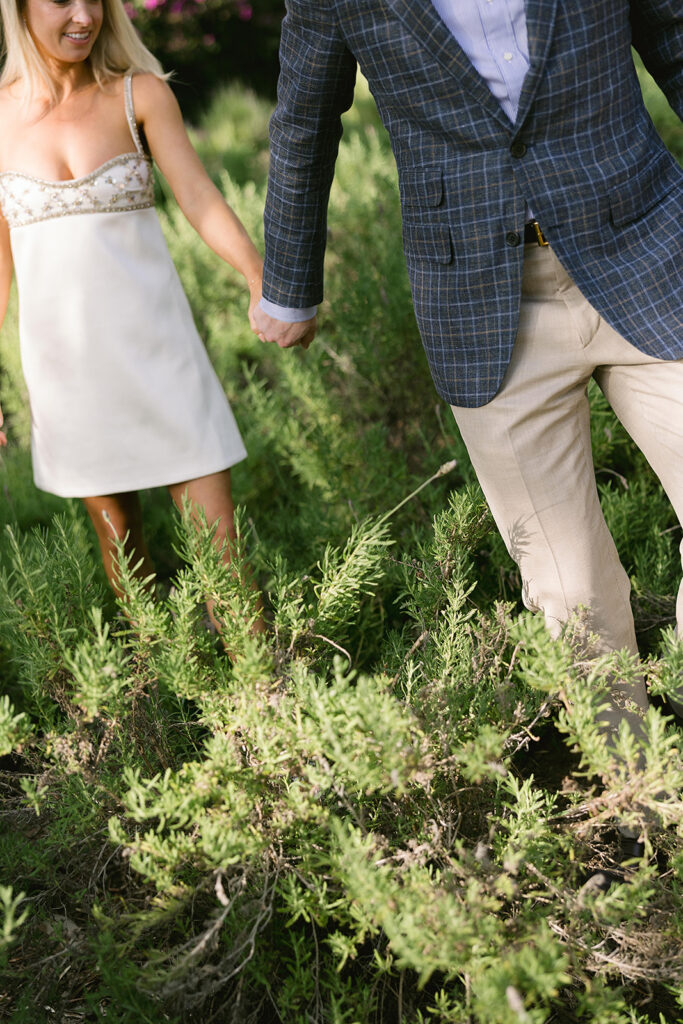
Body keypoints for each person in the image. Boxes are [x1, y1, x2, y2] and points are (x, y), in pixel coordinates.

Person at [253, 1, 683, 735]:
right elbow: (305, 120)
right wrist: (289, 289)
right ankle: (642, 805)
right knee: (568, 591)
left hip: (645, 244)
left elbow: (672, 36)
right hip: (480, 299)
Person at [0, 0, 264, 629]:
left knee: (224, 564)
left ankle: (265, 707)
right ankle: (168, 712)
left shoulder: (137, 95)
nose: (83, 15)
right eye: (61, 0)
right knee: (128, 567)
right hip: (69, 375)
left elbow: (199, 198)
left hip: (162, 356)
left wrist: (259, 278)